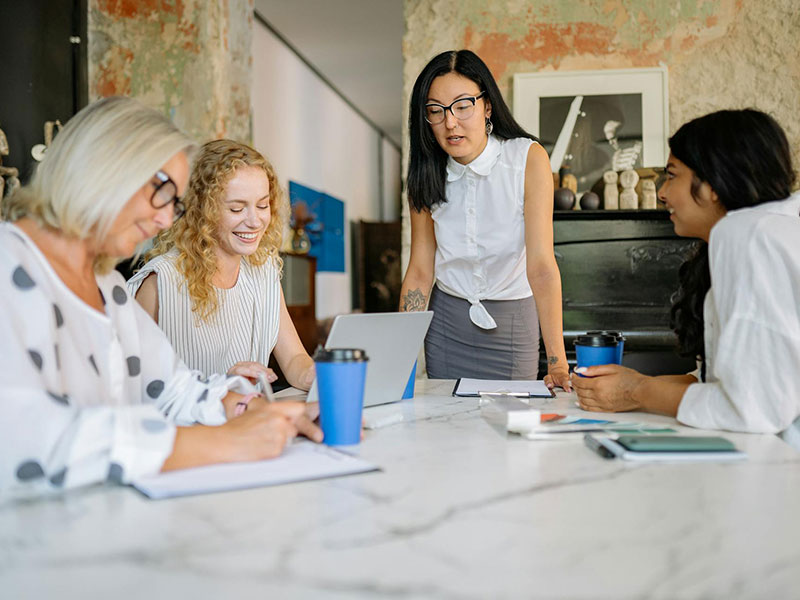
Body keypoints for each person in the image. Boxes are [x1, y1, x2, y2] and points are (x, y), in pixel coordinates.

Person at [0, 97, 320, 495]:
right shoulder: (9, 266)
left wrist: (249, 409)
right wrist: (224, 442)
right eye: (161, 193)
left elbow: (172, 388)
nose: (166, 219)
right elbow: (25, 435)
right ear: (105, 169)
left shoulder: (109, 288)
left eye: (175, 203)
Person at [571, 109, 800, 446]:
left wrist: (637, 390)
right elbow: (715, 383)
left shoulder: (748, 235)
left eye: (672, 176)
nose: (662, 193)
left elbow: (753, 407)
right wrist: (630, 384)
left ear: (713, 184)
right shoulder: (760, 231)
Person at [399, 49, 571, 391]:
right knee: (447, 420)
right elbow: (419, 270)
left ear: (487, 106)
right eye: (435, 111)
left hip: (513, 320)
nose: (450, 122)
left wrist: (558, 362)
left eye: (462, 106)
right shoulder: (425, 173)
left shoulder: (527, 159)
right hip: (446, 324)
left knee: (513, 420)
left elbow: (541, 265)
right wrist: (400, 357)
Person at [128, 140, 315, 391]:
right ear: (202, 211)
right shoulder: (159, 282)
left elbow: (294, 359)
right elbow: (137, 390)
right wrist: (220, 389)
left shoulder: (264, 271)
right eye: (237, 209)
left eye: (262, 205)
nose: (255, 221)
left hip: (251, 416)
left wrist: (318, 376)